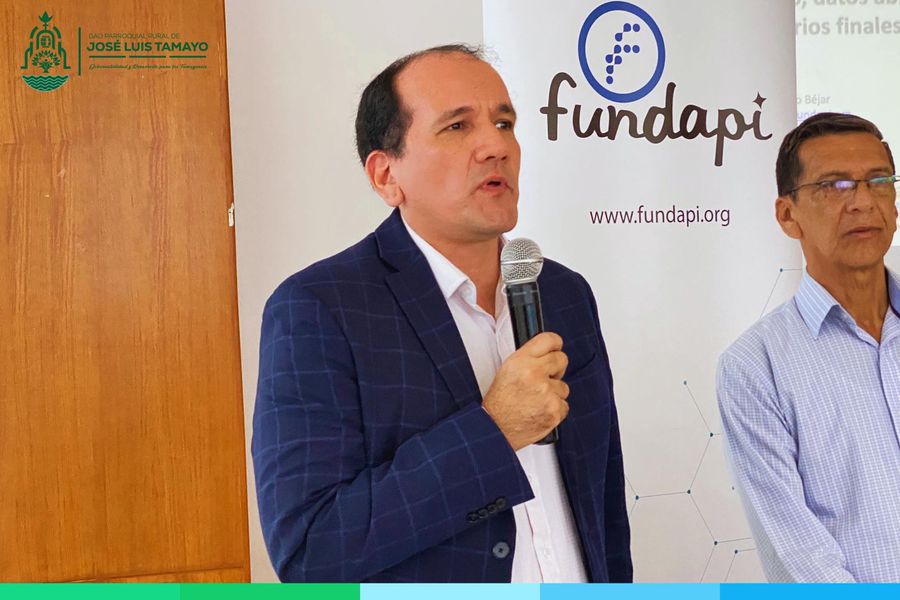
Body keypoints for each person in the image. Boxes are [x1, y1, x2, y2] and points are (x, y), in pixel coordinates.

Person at [251, 44, 631, 583]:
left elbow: (603, 506)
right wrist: (493, 431)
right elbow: (312, 550)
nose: (495, 146)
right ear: (386, 175)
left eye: (504, 123)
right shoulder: (319, 309)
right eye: (457, 126)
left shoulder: (564, 293)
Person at [717, 112, 900, 582]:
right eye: (834, 186)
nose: (863, 201)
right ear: (787, 215)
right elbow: (799, 557)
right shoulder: (755, 367)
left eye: (879, 181)